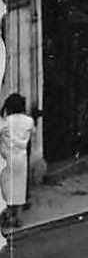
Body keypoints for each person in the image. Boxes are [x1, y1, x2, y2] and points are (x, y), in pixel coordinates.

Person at [0, 94, 34, 227]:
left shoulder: (6, 121)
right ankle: (18, 218)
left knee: (7, 187)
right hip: (22, 157)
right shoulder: (28, 121)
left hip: (7, 157)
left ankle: (8, 216)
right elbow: (32, 134)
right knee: (20, 187)